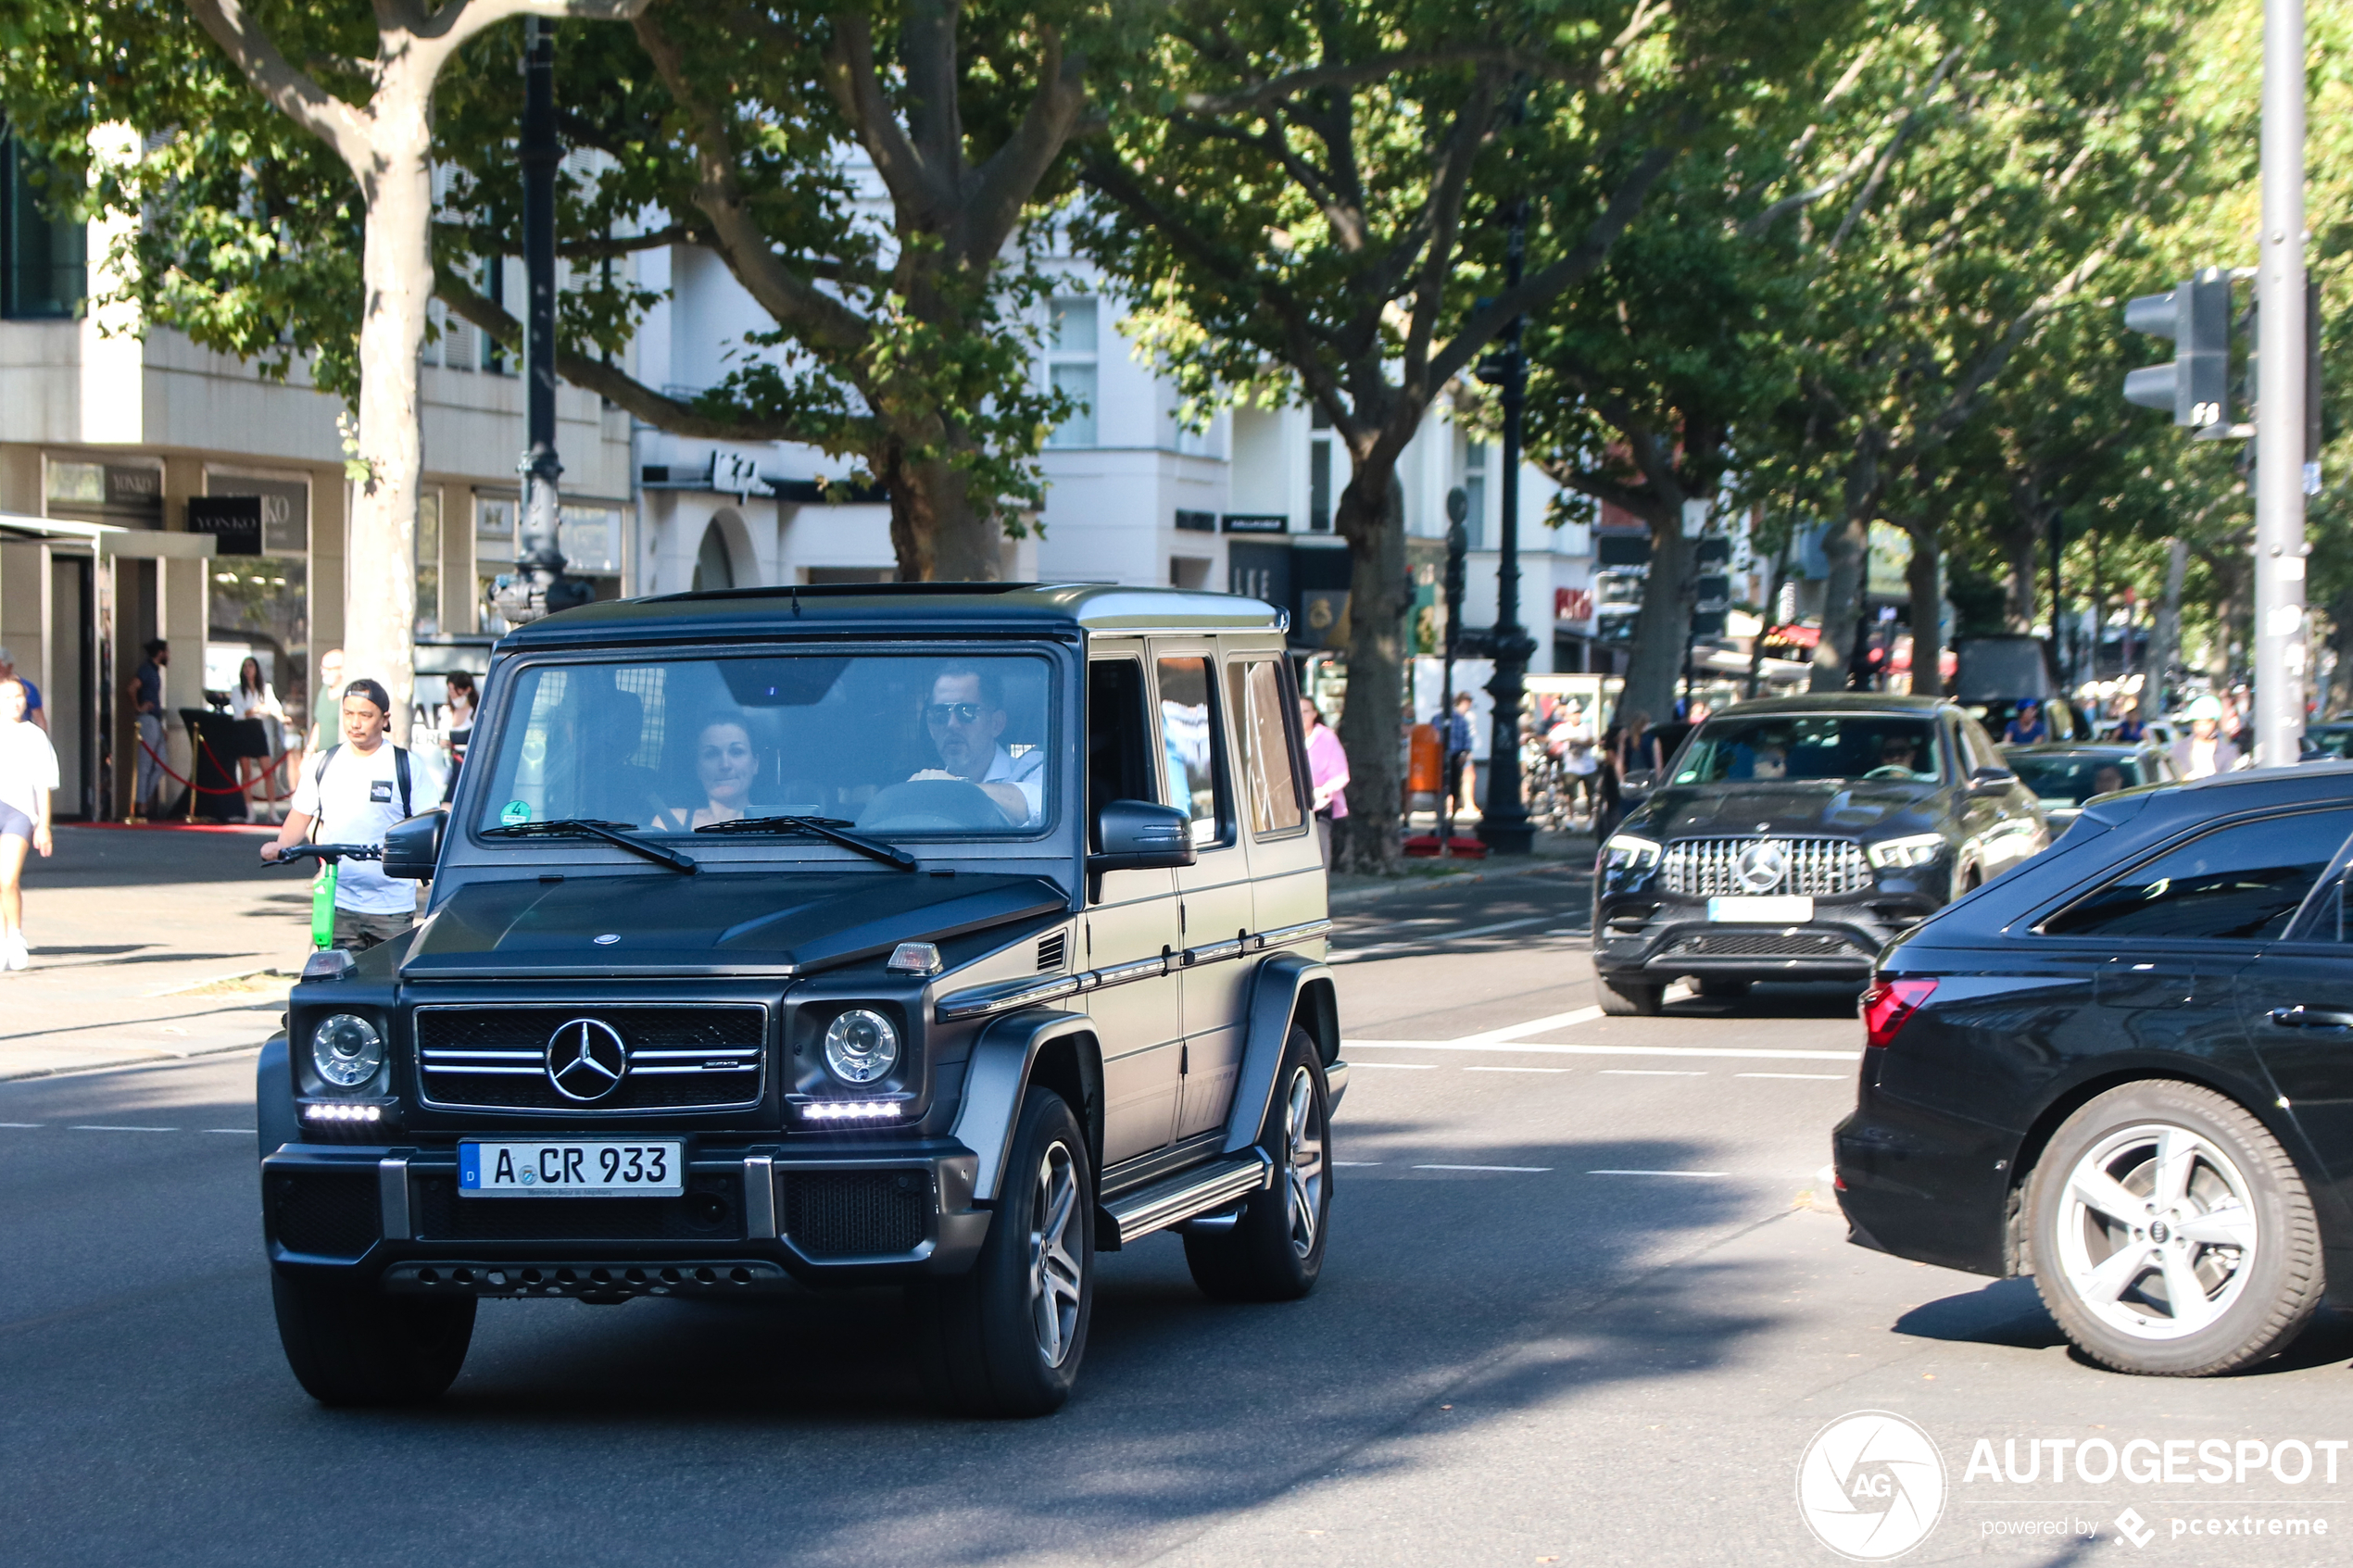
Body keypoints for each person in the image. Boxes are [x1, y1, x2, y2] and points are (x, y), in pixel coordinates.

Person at [261, 678, 434, 951]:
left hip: (392, 906)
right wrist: (281, 846)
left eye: (365, 715)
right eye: (348, 714)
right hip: (337, 901)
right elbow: (300, 814)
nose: (355, 723)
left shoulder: (406, 766)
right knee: (332, 983)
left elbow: (430, 822)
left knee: (386, 986)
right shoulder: (324, 762)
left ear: (384, 719)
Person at [910, 664, 1042, 824]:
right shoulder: (922, 787)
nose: (952, 724)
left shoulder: (1034, 769)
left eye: (967, 711)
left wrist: (950, 789)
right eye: (940, 713)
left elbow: (1039, 804)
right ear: (931, 728)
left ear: (996, 724)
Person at [0, 676, 57, 971]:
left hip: (18, 812)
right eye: (7, 697)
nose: (14, 702)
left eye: (18, 696)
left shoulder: (34, 736)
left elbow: (43, 785)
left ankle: (15, 935)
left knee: (7, 878)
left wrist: (43, 826)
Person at [655, 717, 761, 831]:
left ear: (755, 764)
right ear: (698, 768)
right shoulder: (667, 823)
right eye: (711, 754)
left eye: (736, 752)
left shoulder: (780, 826)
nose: (725, 765)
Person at [233, 656, 288, 819]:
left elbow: (273, 707)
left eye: (251, 666)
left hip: (258, 729)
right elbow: (239, 714)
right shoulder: (237, 690)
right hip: (243, 729)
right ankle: (250, 811)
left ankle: (272, 810)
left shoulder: (265, 688)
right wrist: (257, 708)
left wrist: (283, 718)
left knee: (267, 771)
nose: (248, 669)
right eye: (245, 666)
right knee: (246, 772)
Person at [1301, 696, 1348, 866]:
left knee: (1320, 849)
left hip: (1320, 803)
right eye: (1298, 711)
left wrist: (1324, 790)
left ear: (1314, 714)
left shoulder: (1327, 738)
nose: (1302, 715)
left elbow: (1340, 772)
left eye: (1306, 711)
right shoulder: (1286, 737)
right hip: (1294, 804)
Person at [128, 638, 169, 821]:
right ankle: (141, 805)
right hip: (147, 719)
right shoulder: (146, 669)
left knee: (161, 764)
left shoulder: (154, 671)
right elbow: (131, 688)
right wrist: (138, 707)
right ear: (160, 653)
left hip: (156, 720)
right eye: (166, 651)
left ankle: (143, 799)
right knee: (145, 765)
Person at [2171, 696, 2240, 780]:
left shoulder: (2228, 752)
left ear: (2214, 722)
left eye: (2206, 724)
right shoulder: (2180, 749)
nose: (2201, 728)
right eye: (2197, 724)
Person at [1443, 692, 1477, 821]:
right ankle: (1441, 819)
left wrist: (1464, 754)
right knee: (1440, 789)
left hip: (1456, 756)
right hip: (1439, 756)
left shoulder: (1461, 720)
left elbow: (1467, 739)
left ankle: (1451, 819)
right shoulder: (1437, 718)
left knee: (1455, 788)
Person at [0, 646, 46, 734]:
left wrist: (42, 736)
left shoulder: (27, 687)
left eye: (0, 667)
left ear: (10, 667)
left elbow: (39, 719)